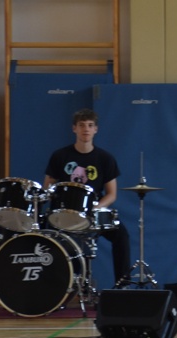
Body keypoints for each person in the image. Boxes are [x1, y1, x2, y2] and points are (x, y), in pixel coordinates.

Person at [44, 109, 131, 285]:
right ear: (74, 128)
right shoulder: (60, 155)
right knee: (55, 240)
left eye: (90, 125)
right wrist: (55, 195)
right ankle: (64, 286)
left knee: (121, 236)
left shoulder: (105, 158)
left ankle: (122, 285)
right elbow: (47, 186)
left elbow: (112, 194)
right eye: (82, 125)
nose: (86, 129)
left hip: (93, 212)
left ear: (96, 129)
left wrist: (95, 208)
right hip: (65, 212)